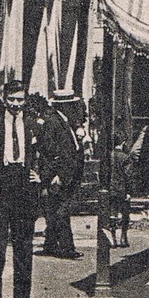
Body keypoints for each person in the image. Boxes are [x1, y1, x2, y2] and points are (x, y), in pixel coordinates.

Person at [0, 78, 44, 298]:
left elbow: (47, 154)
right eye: (12, 100)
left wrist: (42, 175)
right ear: (4, 100)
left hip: (24, 191)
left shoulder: (33, 127)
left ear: (25, 101)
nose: (16, 105)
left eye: (20, 100)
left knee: (24, 250)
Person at [36, 92, 85, 259]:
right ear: (64, 106)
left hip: (66, 172)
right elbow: (49, 151)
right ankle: (67, 248)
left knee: (55, 210)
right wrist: (53, 175)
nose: (74, 107)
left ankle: (50, 244)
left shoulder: (64, 121)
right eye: (71, 104)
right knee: (62, 211)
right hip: (58, 174)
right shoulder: (53, 122)